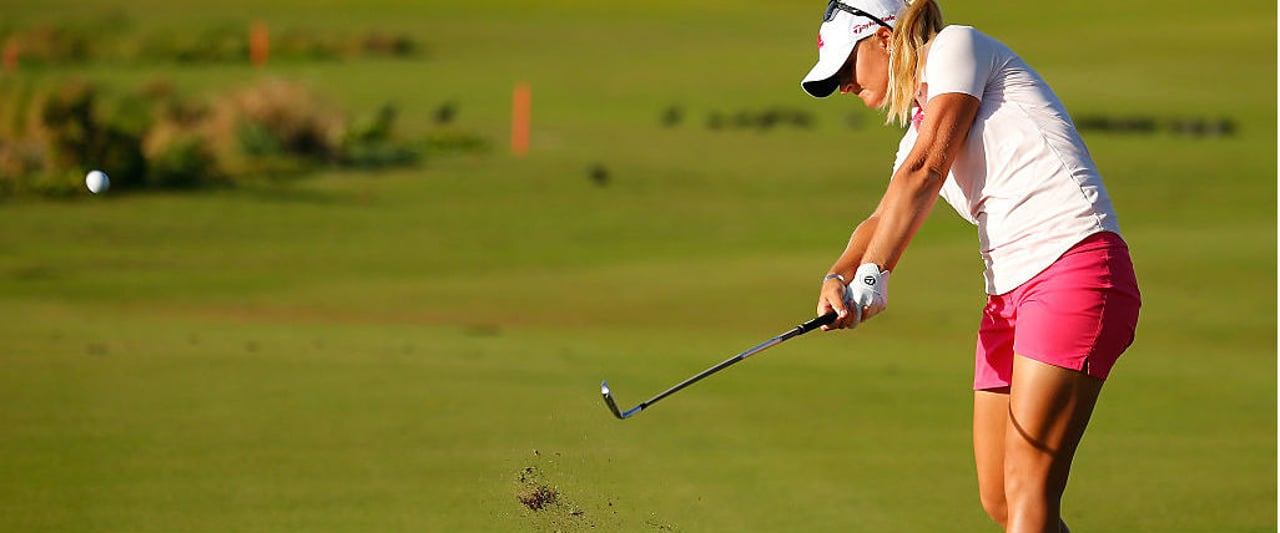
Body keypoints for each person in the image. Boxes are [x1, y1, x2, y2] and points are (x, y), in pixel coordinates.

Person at [798, 1, 1142, 532]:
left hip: (1073, 267)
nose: (843, 83)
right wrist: (839, 274)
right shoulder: (917, 128)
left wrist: (876, 273)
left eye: (847, 65)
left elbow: (927, 170)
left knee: (1030, 494)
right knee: (1002, 501)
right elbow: (884, 212)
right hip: (1008, 297)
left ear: (885, 37)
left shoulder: (958, 46)